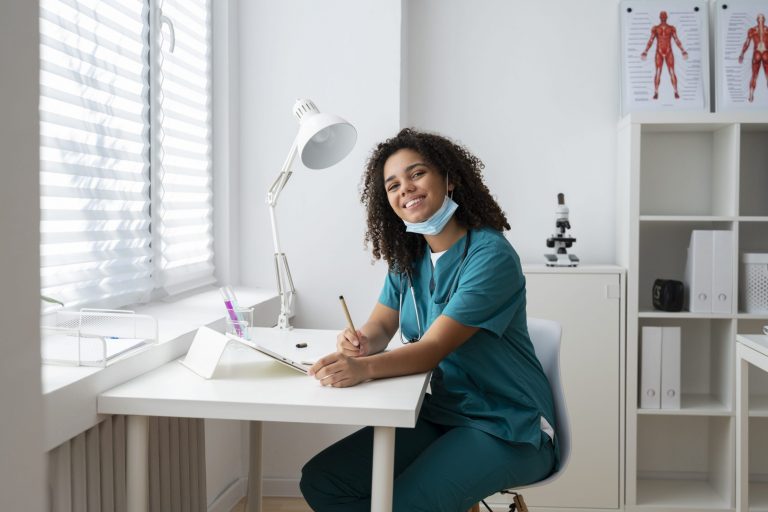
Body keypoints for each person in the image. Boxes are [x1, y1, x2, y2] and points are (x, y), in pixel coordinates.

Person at [299, 128, 559, 512]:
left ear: (449, 180)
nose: (405, 188)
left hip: (509, 427)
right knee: (324, 482)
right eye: (393, 185)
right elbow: (382, 326)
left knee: (399, 505)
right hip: (445, 414)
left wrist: (362, 368)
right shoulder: (409, 258)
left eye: (416, 174)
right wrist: (362, 342)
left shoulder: (490, 257)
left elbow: (432, 349)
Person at [641, 11, 688, 100]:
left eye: (664, 16)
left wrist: (683, 50)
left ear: (666, 17)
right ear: (660, 17)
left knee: (671, 72)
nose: (663, 18)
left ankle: (675, 91)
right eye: (662, 16)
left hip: (668, 51)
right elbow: (651, 40)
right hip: (659, 52)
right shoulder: (655, 28)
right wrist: (645, 51)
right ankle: (656, 92)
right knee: (658, 72)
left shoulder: (671, 28)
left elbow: (676, 39)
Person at [738, 13, 768, 103]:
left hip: (757, 53)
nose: (761, 20)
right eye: (761, 18)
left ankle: (751, 95)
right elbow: (747, 43)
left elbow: (747, 43)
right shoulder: (760, 30)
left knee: (754, 76)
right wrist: (742, 53)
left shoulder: (752, 30)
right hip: (765, 53)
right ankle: (751, 94)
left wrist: (742, 54)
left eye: (761, 18)